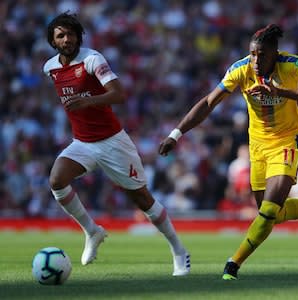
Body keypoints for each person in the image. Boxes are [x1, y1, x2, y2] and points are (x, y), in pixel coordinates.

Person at [158, 24, 298, 280]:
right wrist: (175, 134)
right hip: (257, 147)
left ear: (275, 53)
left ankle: (233, 263)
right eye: (253, 54)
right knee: (272, 214)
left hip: (287, 142)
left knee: (267, 212)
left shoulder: (289, 64)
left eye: (262, 54)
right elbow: (209, 103)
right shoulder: (240, 69)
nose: (256, 60)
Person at [43, 12, 190, 276]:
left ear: (79, 36)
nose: (67, 39)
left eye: (71, 34)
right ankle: (92, 231)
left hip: (113, 142)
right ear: (53, 42)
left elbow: (119, 94)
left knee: (142, 199)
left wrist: (87, 101)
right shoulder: (50, 68)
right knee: (56, 180)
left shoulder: (92, 59)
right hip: (82, 143)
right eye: (60, 36)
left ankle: (179, 251)